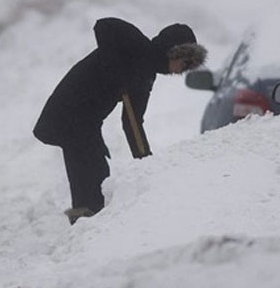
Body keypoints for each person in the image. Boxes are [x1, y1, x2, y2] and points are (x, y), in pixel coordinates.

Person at [33, 17, 207, 224]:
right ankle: (85, 223)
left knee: (95, 170)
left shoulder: (145, 78)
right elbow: (104, 25)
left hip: (86, 121)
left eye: (189, 67)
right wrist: (113, 67)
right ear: (173, 51)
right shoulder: (137, 46)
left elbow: (132, 123)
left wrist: (146, 163)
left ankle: (86, 222)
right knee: (90, 168)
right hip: (69, 111)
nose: (182, 70)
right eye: (185, 62)